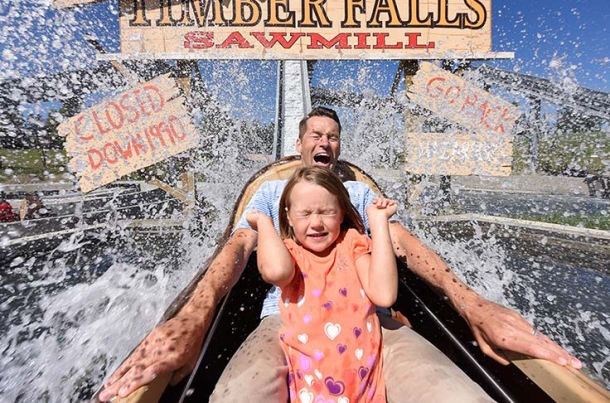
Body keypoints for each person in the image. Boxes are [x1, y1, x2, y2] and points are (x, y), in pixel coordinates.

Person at [99, 107, 581, 402]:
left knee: (454, 394)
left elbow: (402, 243)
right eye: (316, 135)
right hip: (286, 321)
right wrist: (195, 317)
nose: (324, 142)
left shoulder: (358, 194)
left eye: (332, 136)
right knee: (236, 395)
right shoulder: (271, 193)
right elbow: (239, 247)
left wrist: (470, 302)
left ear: (338, 147)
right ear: (300, 144)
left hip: (372, 319)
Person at [247, 166, 397, 402]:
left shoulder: (352, 245)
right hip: (311, 389)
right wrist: (264, 223)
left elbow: (384, 295)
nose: (316, 223)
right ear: (288, 216)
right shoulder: (290, 254)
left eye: (326, 212)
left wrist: (378, 223)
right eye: (305, 214)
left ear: (341, 214)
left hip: (365, 389)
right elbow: (276, 272)